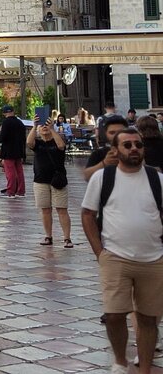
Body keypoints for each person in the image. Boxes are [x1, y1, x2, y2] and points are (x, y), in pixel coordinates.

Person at [81, 127, 163, 374]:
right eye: (127, 145)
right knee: (114, 314)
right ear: (115, 150)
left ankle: (145, 368)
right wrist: (99, 252)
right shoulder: (103, 178)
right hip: (115, 257)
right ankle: (119, 360)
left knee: (148, 318)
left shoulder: (157, 179)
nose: (134, 149)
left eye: (138, 144)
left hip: (154, 258)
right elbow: (87, 214)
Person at [28, 117, 72, 248]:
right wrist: (34, 126)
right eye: (42, 126)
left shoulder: (57, 140)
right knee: (45, 210)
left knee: (62, 209)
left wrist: (52, 129)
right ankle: (48, 236)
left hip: (57, 181)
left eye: (46, 125)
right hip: (40, 180)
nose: (44, 127)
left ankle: (67, 238)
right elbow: (29, 142)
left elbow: (61, 146)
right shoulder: (38, 143)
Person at [83, 113, 129, 181]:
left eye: (120, 132)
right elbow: (87, 177)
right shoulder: (98, 154)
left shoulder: (136, 149)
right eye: (112, 133)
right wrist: (105, 163)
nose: (116, 135)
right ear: (106, 134)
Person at [0, 104, 26, 198]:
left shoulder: (6, 122)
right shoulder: (20, 123)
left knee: (10, 172)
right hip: (19, 150)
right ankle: (21, 191)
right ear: (13, 111)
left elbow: (2, 137)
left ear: (4, 113)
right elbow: (24, 138)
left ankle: (10, 191)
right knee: (19, 171)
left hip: (9, 150)